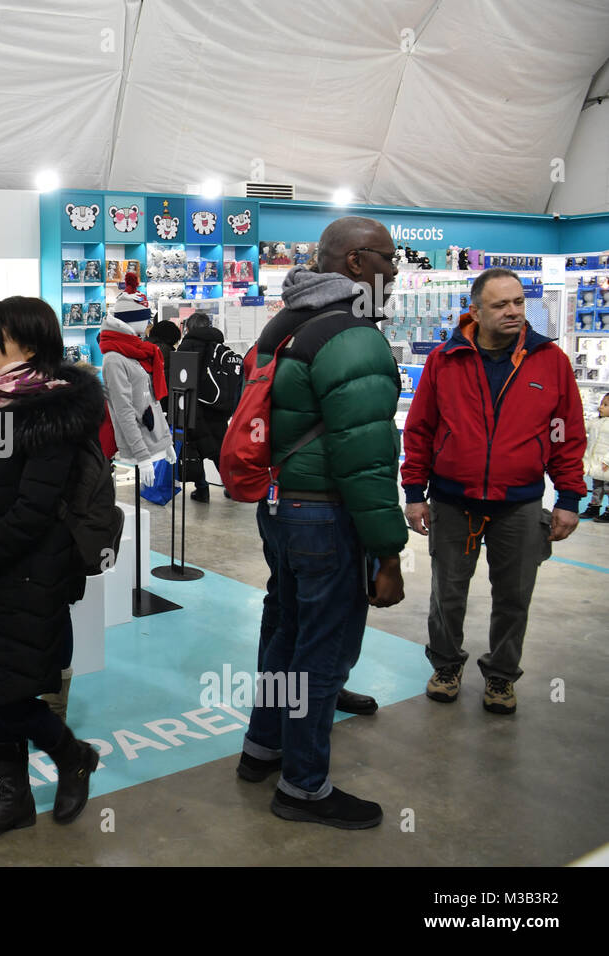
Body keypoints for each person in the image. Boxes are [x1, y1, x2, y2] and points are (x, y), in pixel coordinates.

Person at [236, 216, 407, 830]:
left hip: (280, 506)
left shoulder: (286, 322)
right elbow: (366, 460)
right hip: (325, 516)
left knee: (284, 629)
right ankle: (303, 787)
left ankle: (264, 745)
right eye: (388, 259)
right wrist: (389, 555)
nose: (394, 271)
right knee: (322, 654)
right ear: (356, 264)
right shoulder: (354, 337)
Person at [0, 295, 105, 843]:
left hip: (31, 575)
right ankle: (21, 796)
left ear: (29, 348)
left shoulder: (52, 413)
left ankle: (66, 762)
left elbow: (33, 511)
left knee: (9, 692)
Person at [402, 267, 586, 715]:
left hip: (520, 503)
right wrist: (414, 491)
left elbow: (565, 435)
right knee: (447, 592)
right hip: (452, 499)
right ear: (475, 311)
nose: (513, 312)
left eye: (519, 302)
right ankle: (446, 665)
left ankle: (502, 676)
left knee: (514, 595)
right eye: (500, 304)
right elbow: (421, 428)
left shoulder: (550, 361)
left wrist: (567, 498)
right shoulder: (445, 360)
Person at [174, 311, 241, 502]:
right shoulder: (219, 345)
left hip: (194, 407)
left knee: (194, 449)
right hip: (218, 409)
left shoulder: (186, 346)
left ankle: (202, 489)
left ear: (188, 328)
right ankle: (231, 487)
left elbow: (181, 381)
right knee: (219, 451)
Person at [580, 392, 609, 521]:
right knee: (597, 486)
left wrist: (607, 460)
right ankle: (594, 507)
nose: (601, 407)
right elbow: (583, 427)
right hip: (596, 462)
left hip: (606, 463)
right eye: (601, 404)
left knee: (607, 487)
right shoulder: (596, 422)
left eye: (605, 405)